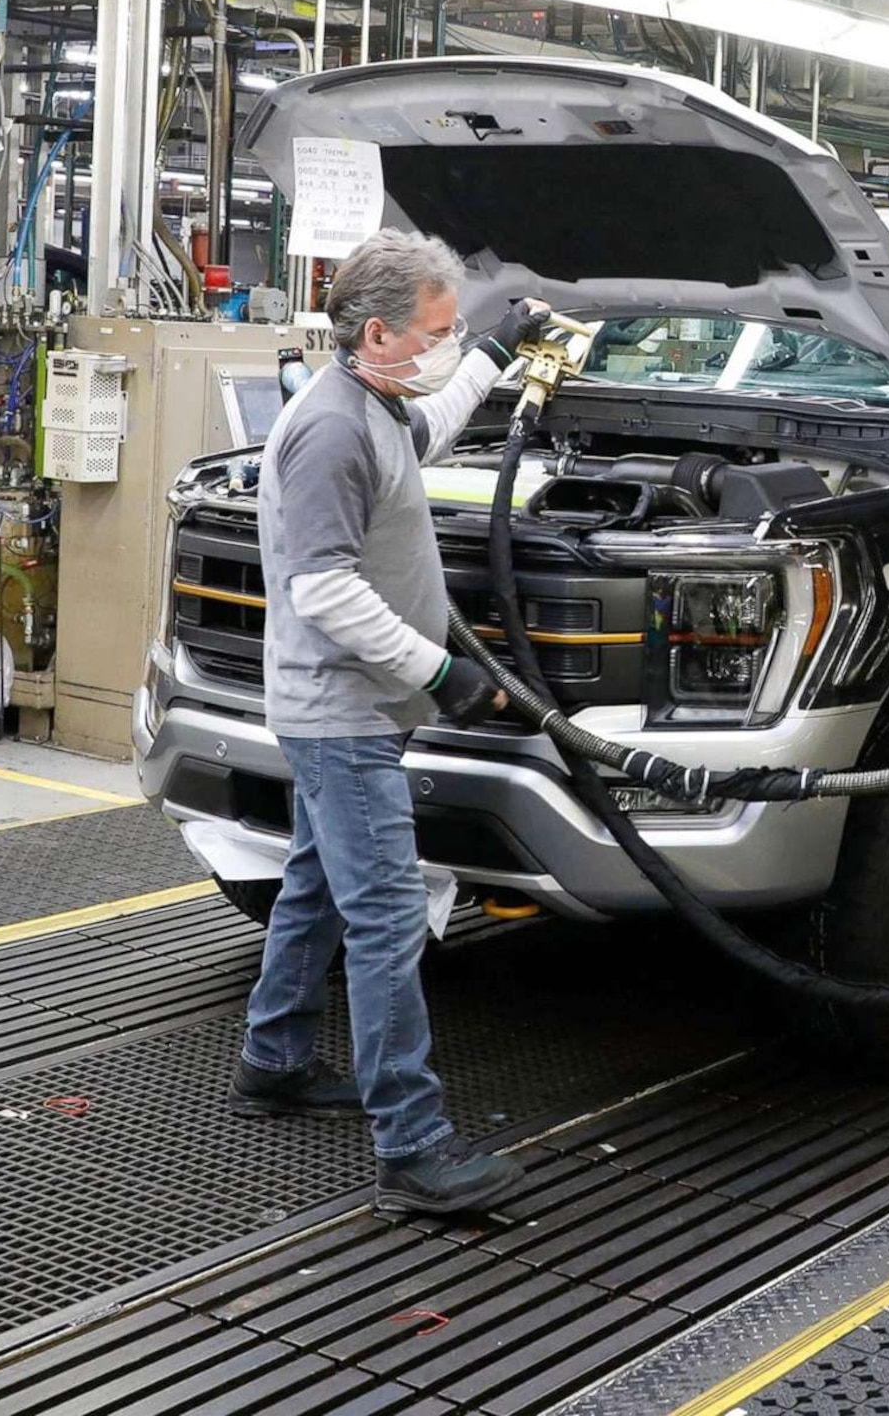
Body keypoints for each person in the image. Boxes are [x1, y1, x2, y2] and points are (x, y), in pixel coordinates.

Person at [235, 228, 555, 1216]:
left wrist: (496, 358)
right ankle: (412, 1150)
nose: (446, 346)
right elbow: (323, 588)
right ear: (378, 331)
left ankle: (274, 1054)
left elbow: (429, 433)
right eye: (440, 330)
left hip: (349, 704)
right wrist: (445, 671)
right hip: (343, 709)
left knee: (318, 878)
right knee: (382, 919)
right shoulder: (330, 428)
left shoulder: (376, 400)